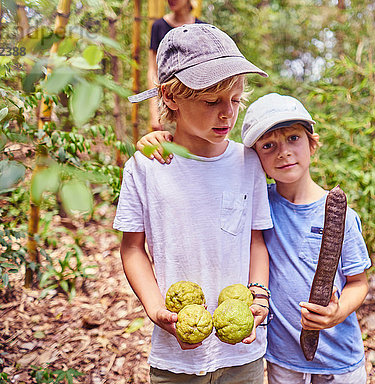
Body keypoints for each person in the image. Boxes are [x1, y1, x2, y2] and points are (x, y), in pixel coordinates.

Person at [137, 93, 372, 383]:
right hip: (281, 358)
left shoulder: (340, 215)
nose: (283, 152)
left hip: (339, 358)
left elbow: (359, 283)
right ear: (255, 157)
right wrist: (162, 139)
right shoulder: (256, 204)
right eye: (268, 145)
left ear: (313, 144)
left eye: (294, 139)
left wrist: (338, 313)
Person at [116, 24, 272, 383]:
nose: (227, 114)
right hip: (176, 358)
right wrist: (155, 308)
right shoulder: (145, 167)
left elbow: (255, 240)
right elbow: (132, 249)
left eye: (234, 100)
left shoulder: (248, 162)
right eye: (211, 101)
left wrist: (259, 296)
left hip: (243, 354)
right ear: (171, 96)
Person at [148, 0, 204, 130]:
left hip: (195, 104)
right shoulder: (158, 26)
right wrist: (154, 112)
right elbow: (153, 70)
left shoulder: (201, 28)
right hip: (168, 105)